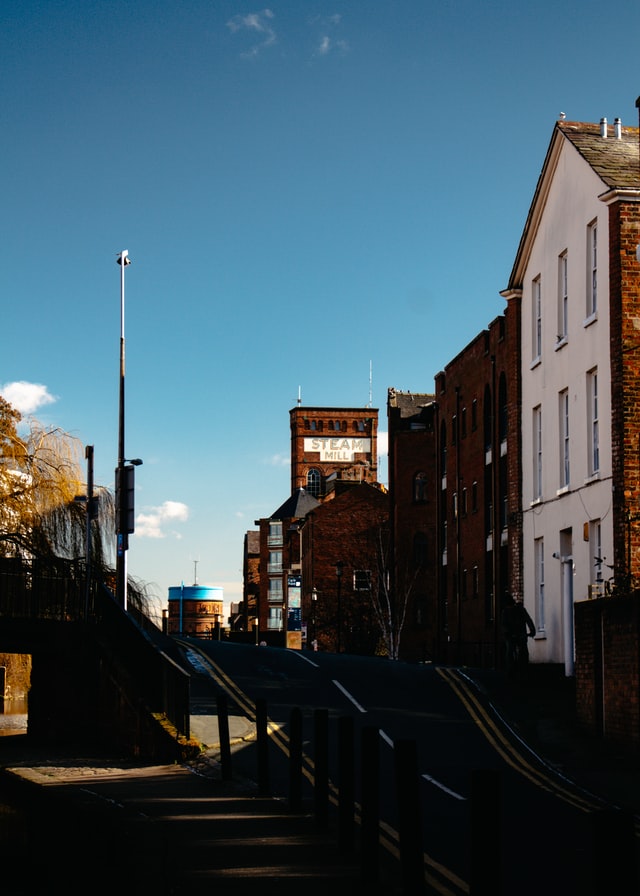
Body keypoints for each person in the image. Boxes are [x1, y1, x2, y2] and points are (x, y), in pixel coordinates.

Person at [501, 592, 535, 679]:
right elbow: (528, 620)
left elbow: (504, 625)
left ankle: (510, 672)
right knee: (522, 652)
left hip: (513, 635)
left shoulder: (506, 611)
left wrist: (507, 633)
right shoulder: (520, 609)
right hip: (519, 634)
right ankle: (523, 671)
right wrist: (532, 630)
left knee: (510, 652)